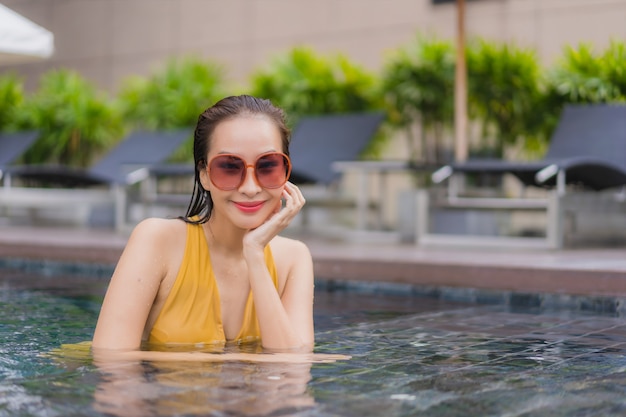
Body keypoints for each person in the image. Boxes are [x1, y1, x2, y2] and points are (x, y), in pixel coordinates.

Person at [92, 95, 319, 359]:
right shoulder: (157, 240)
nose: (250, 188)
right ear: (204, 176)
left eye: (267, 166)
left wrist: (255, 253)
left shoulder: (294, 258)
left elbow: (293, 370)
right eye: (228, 167)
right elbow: (109, 361)